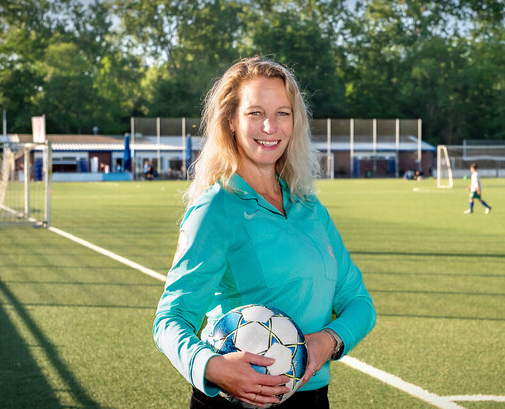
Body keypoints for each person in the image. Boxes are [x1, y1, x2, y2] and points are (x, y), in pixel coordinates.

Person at [153, 57, 376, 409]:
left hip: (313, 399)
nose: (270, 126)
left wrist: (327, 341)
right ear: (231, 121)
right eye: (255, 113)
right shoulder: (216, 209)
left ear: (294, 121)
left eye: (282, 113)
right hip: (235, 402)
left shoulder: (311, 209)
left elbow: (360, 303)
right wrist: (211, 365)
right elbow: (170, 319)